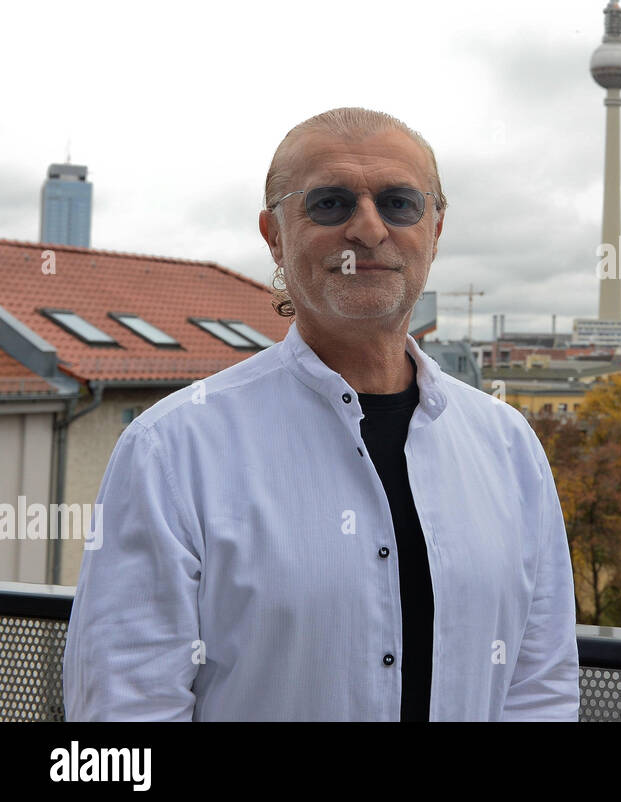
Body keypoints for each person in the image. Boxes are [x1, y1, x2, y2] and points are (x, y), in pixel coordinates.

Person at [63, 107, 579, 721]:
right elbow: (127, 713)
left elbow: (539, 686)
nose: (368, 229)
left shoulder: (508, 446)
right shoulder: (172, 453)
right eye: (330, 204)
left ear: (435, 229)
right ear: (274, 234)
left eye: (399, 203)